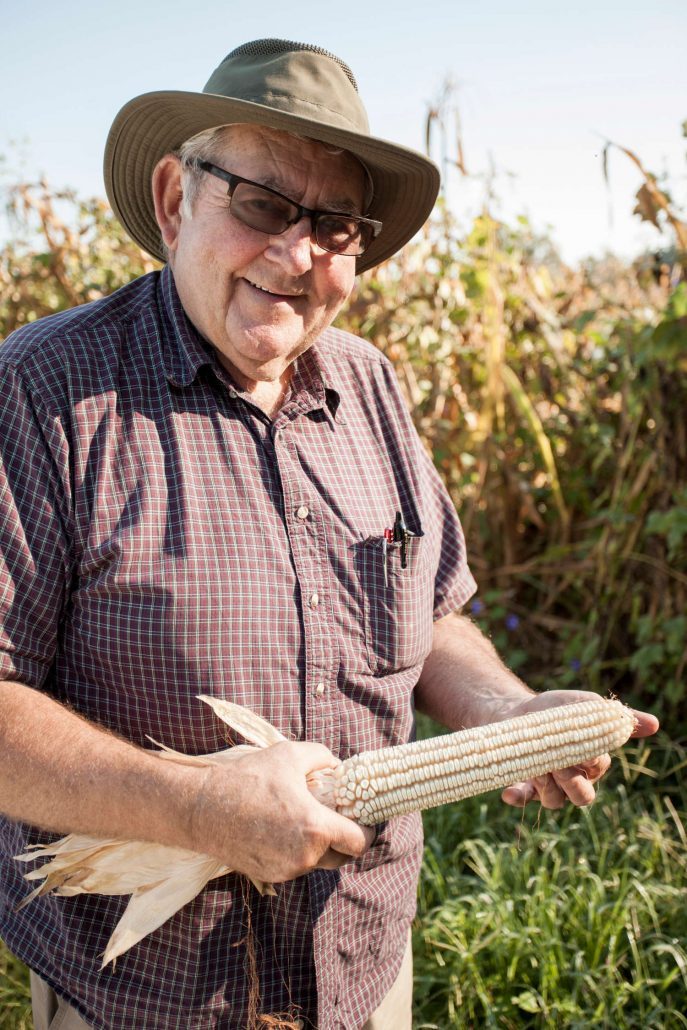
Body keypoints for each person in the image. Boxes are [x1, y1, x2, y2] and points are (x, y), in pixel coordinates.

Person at [0, 38, 658, 1030]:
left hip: (361, 972)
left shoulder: (370, 388)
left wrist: (503, 710)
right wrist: (197, 810)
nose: (298, 254)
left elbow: (425, 609)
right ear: (177, 199)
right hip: (142, 994)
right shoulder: (43, 392)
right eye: (261, 204)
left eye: (336, 225)